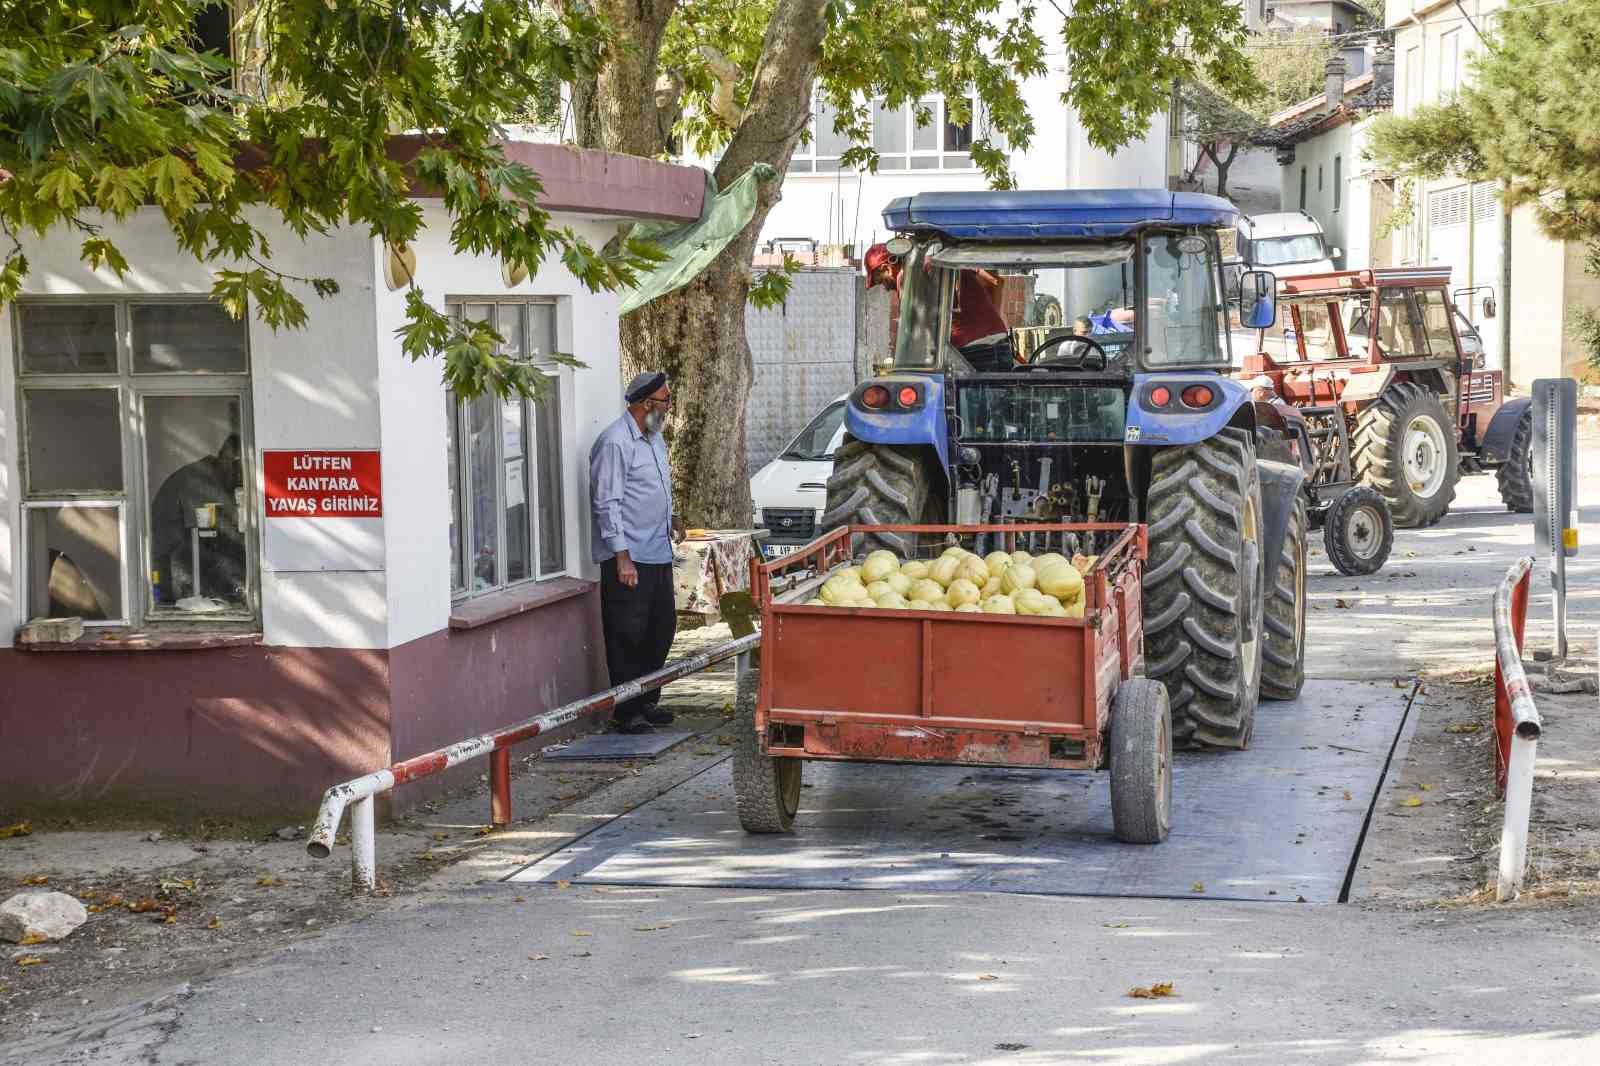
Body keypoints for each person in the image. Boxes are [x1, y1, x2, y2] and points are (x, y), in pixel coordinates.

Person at [590, 372, 678, 734]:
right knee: (628, 633)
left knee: (661, 628)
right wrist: (621, 557)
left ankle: (647, 700)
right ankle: (627, 711)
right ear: (646, 405)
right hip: (630, 556)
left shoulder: (654, 440)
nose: (669, 407)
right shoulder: (615, 442)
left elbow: (654, 488)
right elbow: (607, 503)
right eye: (665, 401)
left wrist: (672, 519)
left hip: (658, 549)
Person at [864, 243, 1011, 370]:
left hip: (973, 352)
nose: (885, 288)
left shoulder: (908, 277)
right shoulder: (944, 260)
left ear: (886, 269)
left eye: (881, 281)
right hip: (1002, 343)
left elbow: (916, 332)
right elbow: (996, 283)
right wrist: (987, 327)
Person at [150, 433, 245, 605]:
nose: (241, 479)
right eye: (239, 470)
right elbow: (210, 537)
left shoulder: (213, 477)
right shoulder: (197, 480)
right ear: (226, 460)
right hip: (172, 569)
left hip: (184, 562)